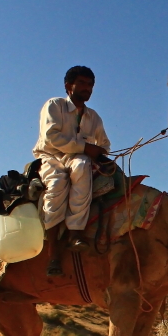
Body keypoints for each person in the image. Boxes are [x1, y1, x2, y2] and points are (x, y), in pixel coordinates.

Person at [34, 65, 111, 276]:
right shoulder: (54, 105)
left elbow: (104, 143)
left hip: (77, 158)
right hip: (51, 156)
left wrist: (98, 152)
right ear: (69, 86)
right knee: (58, 182)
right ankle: (53, 252)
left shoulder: (93, 117)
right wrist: (86, 147)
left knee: (82, 167)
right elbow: (52, 137)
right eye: (83, 83)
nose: (88, 88)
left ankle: (76, 233)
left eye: (91, 85)